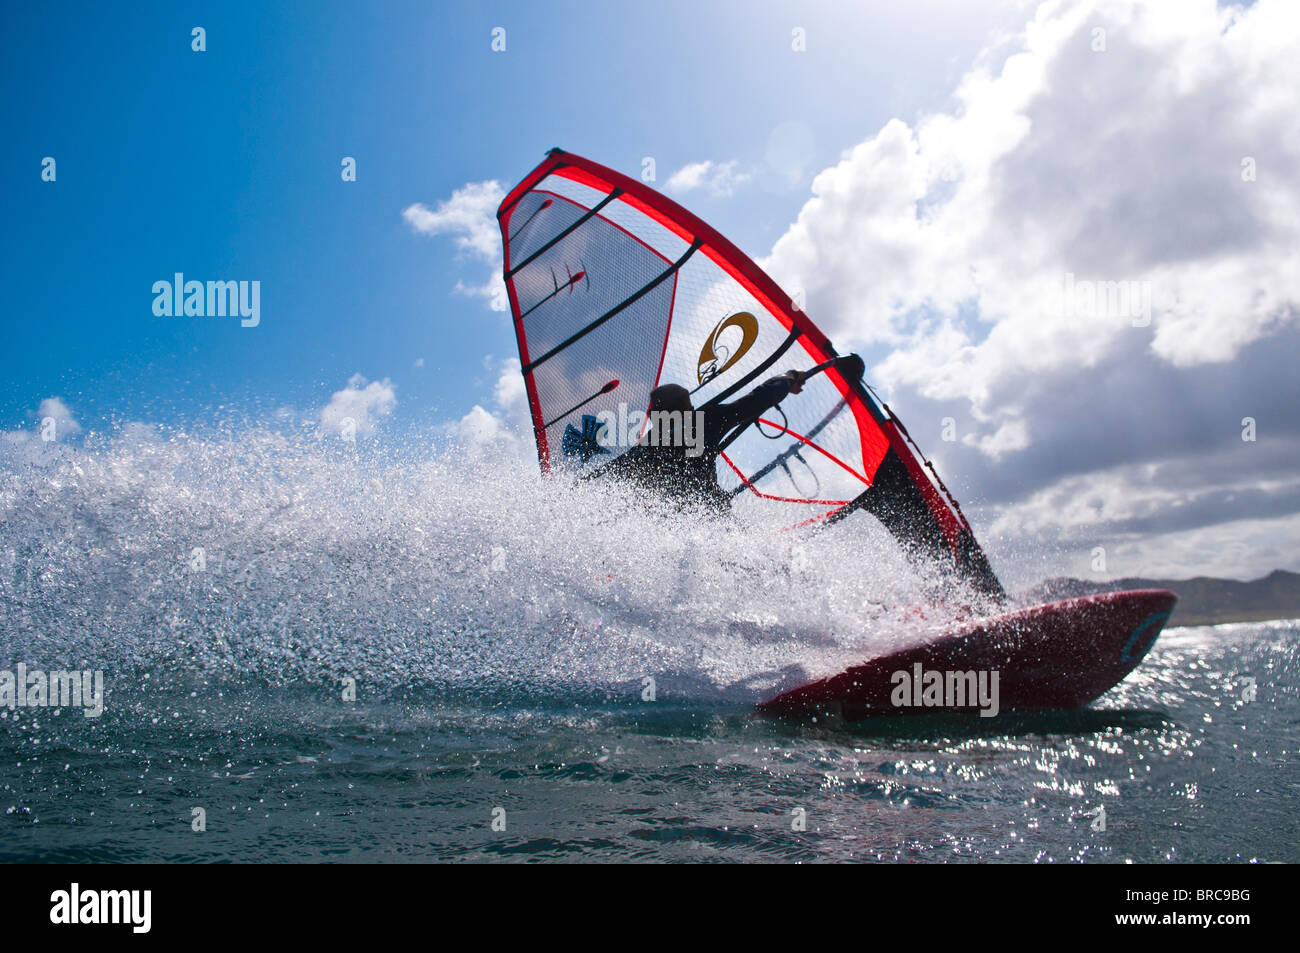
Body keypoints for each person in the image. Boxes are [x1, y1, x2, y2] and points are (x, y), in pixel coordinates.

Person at [604, 369, 808, 511]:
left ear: (652, 415)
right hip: (710, 524)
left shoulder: (643, 449)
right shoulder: (702, 422)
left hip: (666, 532)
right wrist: (788, 378)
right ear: (689, 410)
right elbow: (756, 401)